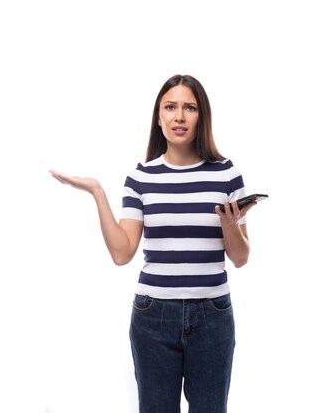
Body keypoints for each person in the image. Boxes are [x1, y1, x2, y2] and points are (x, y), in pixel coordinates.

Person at [50, 74, 257, 413]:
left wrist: (231, 226)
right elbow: (122, 252)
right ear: (158, 117)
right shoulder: (141, 178)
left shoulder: (226, 174)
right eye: (170, 107)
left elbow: (241, 258)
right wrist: (97, 193)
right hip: (153, 316)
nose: (179, 116)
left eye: (189, 107)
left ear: (201, 116)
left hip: (213, 317)